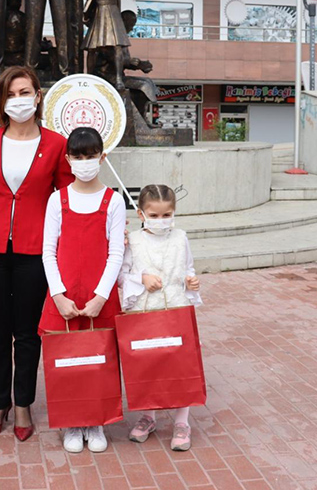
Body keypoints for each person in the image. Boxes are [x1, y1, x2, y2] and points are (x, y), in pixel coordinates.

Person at [0, 65, 73, 442]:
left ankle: (24, 403)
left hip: (35, 251)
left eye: (24, 92)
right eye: (10, 95)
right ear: (1, 101)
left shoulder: (56, 144)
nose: (18, 101)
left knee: (27, 333)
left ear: (38, 96)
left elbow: (68, 197)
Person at [39, 127, 125, 454]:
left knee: (100, 359)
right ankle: (72, 421)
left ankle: (96, 420)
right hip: (64, 297)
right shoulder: (57, 199)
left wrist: (101, 296)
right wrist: (58, 295)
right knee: (67, 360)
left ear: (102, 158)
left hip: (98, 296)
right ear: (68, 159)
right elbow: (48, 251)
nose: (84, 162)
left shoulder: (113, 200)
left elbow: (116, 253)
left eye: (90, 156)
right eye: (78, 156)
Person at [118, 184, 202, 450]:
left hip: (176, 306)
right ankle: (148, 415)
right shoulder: (134, 240)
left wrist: (191, 281)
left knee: (180, 363)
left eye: (167, 215)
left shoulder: (180, 238)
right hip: (144, 309)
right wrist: (141, 278)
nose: (161, 220)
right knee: (147, 362)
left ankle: (182, 421)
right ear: (141, 214)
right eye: (154, 215)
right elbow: (122, 275)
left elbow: (188, 267)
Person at [83, 0, 132, 91]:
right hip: (98, 12)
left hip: (112, 11)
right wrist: (87, 13)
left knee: (117, 46)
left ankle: (118, 77)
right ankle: (89, 76)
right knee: (92, 47)